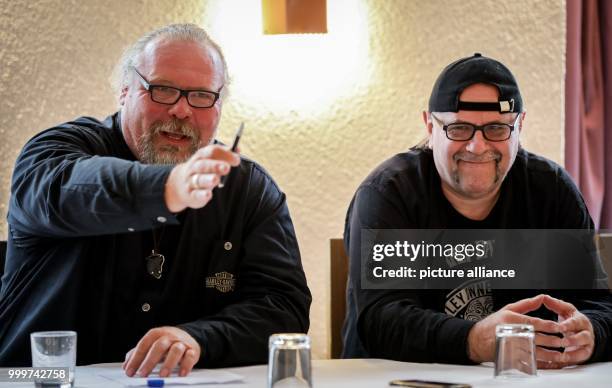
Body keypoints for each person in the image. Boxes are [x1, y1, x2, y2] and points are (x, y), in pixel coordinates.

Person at [0, 24, 311, 376]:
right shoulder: (52, 153)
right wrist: (169, 186)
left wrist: (199, 339)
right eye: (162, 90)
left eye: (201, 95)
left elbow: (284, 309)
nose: (181, 110)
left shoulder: (246, 188)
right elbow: (67, 188)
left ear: (219, 105)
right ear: (124, 91)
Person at [342, 53, 612, 368]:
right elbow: (381, 321)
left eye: (497, 129)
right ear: (430, 125)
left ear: (520, 125)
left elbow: (599, 305)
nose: (478, 146)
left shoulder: (550, 191)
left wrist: (593, 333)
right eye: (459, 129)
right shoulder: (391, 194)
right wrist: (475, 339)